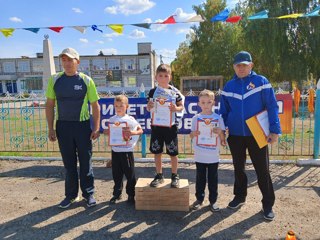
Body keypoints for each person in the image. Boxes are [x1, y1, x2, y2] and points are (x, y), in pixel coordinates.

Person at [219, 51, 281, 221]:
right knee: (238, 168)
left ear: (251, 65)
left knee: (262, 170)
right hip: (235, 136)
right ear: (234, 66)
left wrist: (275, 130)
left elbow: (272, 106)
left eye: (244, 65)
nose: (241, 68)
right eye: (238, 65)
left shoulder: (261, 82)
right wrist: (222, 131)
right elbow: (223, 112)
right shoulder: (229, 86)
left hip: (258, 134)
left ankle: (267, 204)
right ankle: (239, 197)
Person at [45, 47, 100, 209]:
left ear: (77, 62)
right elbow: (49, 105)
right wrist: (50, 128)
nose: (67, 63)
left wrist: (96, 127)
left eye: (70, 60)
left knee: (85, 162)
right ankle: (70, 196)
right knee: (69, 164)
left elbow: (95, 106)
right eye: (64, 60)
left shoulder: (86, 80)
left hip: (82, 127)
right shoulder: (55, 80)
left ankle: (88, 194)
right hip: (63, 126)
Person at [146, 64, 185, 188]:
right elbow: (148, 107)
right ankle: (159, 175)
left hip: (170, 126)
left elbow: (181, 107)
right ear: (156, 77)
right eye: (160, 76)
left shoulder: (174, 92)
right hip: (157, 126)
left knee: (173, 153)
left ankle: (175, 176)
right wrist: (149, 106)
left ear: (170, 77)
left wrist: (176, 108)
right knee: (157, 152)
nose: (163, 78)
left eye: (166, 76)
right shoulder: (153, 91)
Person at [190, 89, 226, 212]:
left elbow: (222, 138)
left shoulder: (218, 118)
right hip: (200, 154)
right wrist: (194, 133)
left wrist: (220, 132)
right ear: (199, 104)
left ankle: (213, 201)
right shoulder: (196, 118)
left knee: (213, 179)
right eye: (203, 102)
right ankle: (199, 199)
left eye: (208, 102)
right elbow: (191, 135)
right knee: (200, 178)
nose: (206, 105)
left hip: (213, 155)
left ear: (213, 103)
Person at [103, 95, 143, 204]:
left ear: (127, 107)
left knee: (130, 174)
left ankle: (131, 195)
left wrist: (132, 133)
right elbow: (108, 132)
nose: (118, 108)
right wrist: (107, 131)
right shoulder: (112, 119)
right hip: (115, 151)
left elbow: (140, 130)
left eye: (121, 105)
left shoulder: (130, 120)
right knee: (116, 174)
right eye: (116, 106)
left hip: (127, 151)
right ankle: (117, 194)